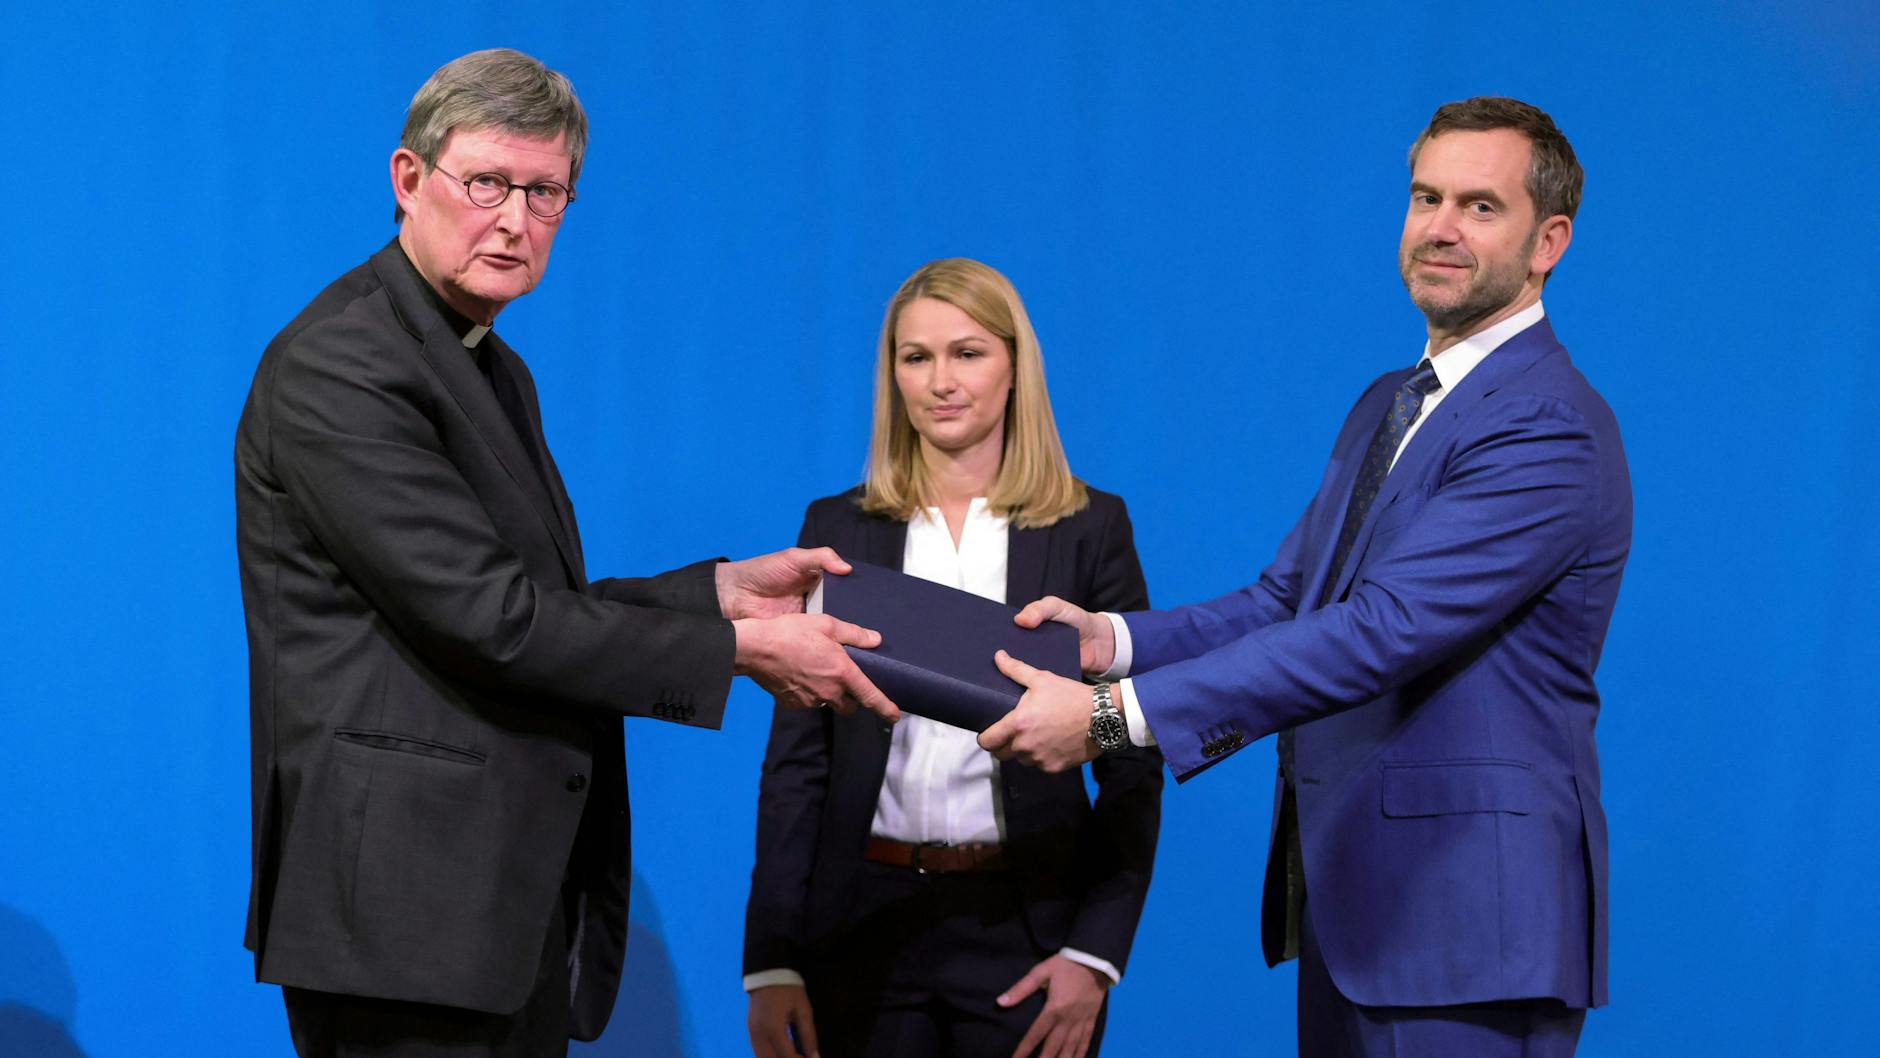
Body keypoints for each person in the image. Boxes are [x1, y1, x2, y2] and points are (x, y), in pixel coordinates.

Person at [234, 48, 895, 1058]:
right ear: (409, 181)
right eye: (487, 182)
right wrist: (738, 654)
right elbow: (490, 620)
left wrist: (711, 596)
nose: (514, 219)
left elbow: (531, 599)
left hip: (493, 900)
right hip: (403, 917)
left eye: (545, 192)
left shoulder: (489, 363)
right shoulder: (344, 363)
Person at [979, 98, 1629, 1058]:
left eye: (1480, 207)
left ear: (1549, 241)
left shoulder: (1546, 425)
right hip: (1357, 904)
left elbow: (1382, 629)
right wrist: (1109, 643)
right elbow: (1289, 600)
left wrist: (1115, 719)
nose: (1440, 228)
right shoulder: (1389, 403)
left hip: (1464, 931)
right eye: (1425, 197)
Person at [742, 259, 1162, 1058]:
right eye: (916, 357)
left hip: (1028, 927)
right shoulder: (839, 529)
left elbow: (1129, 748)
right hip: (858, 926)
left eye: (967, 353)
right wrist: (770, 960)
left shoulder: (1089, 528)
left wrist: (1094, 955)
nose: (941, 380)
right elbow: (798, 760)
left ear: (1014, 367)